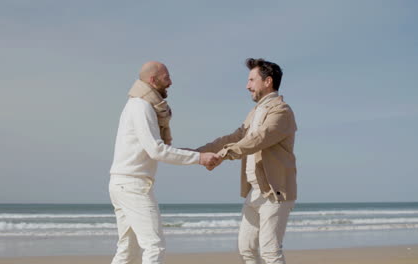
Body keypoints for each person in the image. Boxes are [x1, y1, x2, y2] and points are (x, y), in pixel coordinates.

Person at [109, 61, 221, 264]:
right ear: (153, 80)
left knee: (127, 250)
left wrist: (193, 153)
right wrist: (198, 158)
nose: (170, 82)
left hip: (123, 183)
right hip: (133, 185)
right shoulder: (141, 106)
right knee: (154, 246)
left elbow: (155, 147)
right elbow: (156, 150)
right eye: (166, 77)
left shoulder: (138, 104)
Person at [198, 58, 297, 264]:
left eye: (252, 80)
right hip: (255, 190)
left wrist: (222, 155)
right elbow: (234, 138)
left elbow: (257, 139)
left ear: (268, 81)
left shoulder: (281, 111)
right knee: (247, 250)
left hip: (275, 190)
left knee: (270, 252)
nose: (247, 85)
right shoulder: (254, 112)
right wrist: (196, 153)